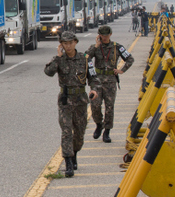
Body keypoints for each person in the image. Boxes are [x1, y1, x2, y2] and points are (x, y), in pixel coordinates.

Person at [44, 31, 100, 177]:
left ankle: (74, 153)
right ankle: (68, 161)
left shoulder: (85, 59)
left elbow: (93, 77)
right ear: (61, 44)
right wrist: (58, 57)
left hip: (81, 99)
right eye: (65, 43)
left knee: (79, 133)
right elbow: (48, 72)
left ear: (75, 42)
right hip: (65, 99)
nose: (68, 46)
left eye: (70, 43)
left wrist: (94, 89)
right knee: (67, 130)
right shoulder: (60, 59)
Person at [86, 26, 135, 143]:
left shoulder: (117, 47)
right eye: (103, 36)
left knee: (109, 107)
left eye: (107, 35)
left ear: (110, 35)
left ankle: (107, 131)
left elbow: (130, 59)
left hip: (111, 81)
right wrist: (96, 46)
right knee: (95, 105)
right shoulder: (95, 48)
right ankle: (99, 124)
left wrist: (121, 70)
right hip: (97, 81)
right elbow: (85, 58)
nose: (105, 38)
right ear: (99, 36)